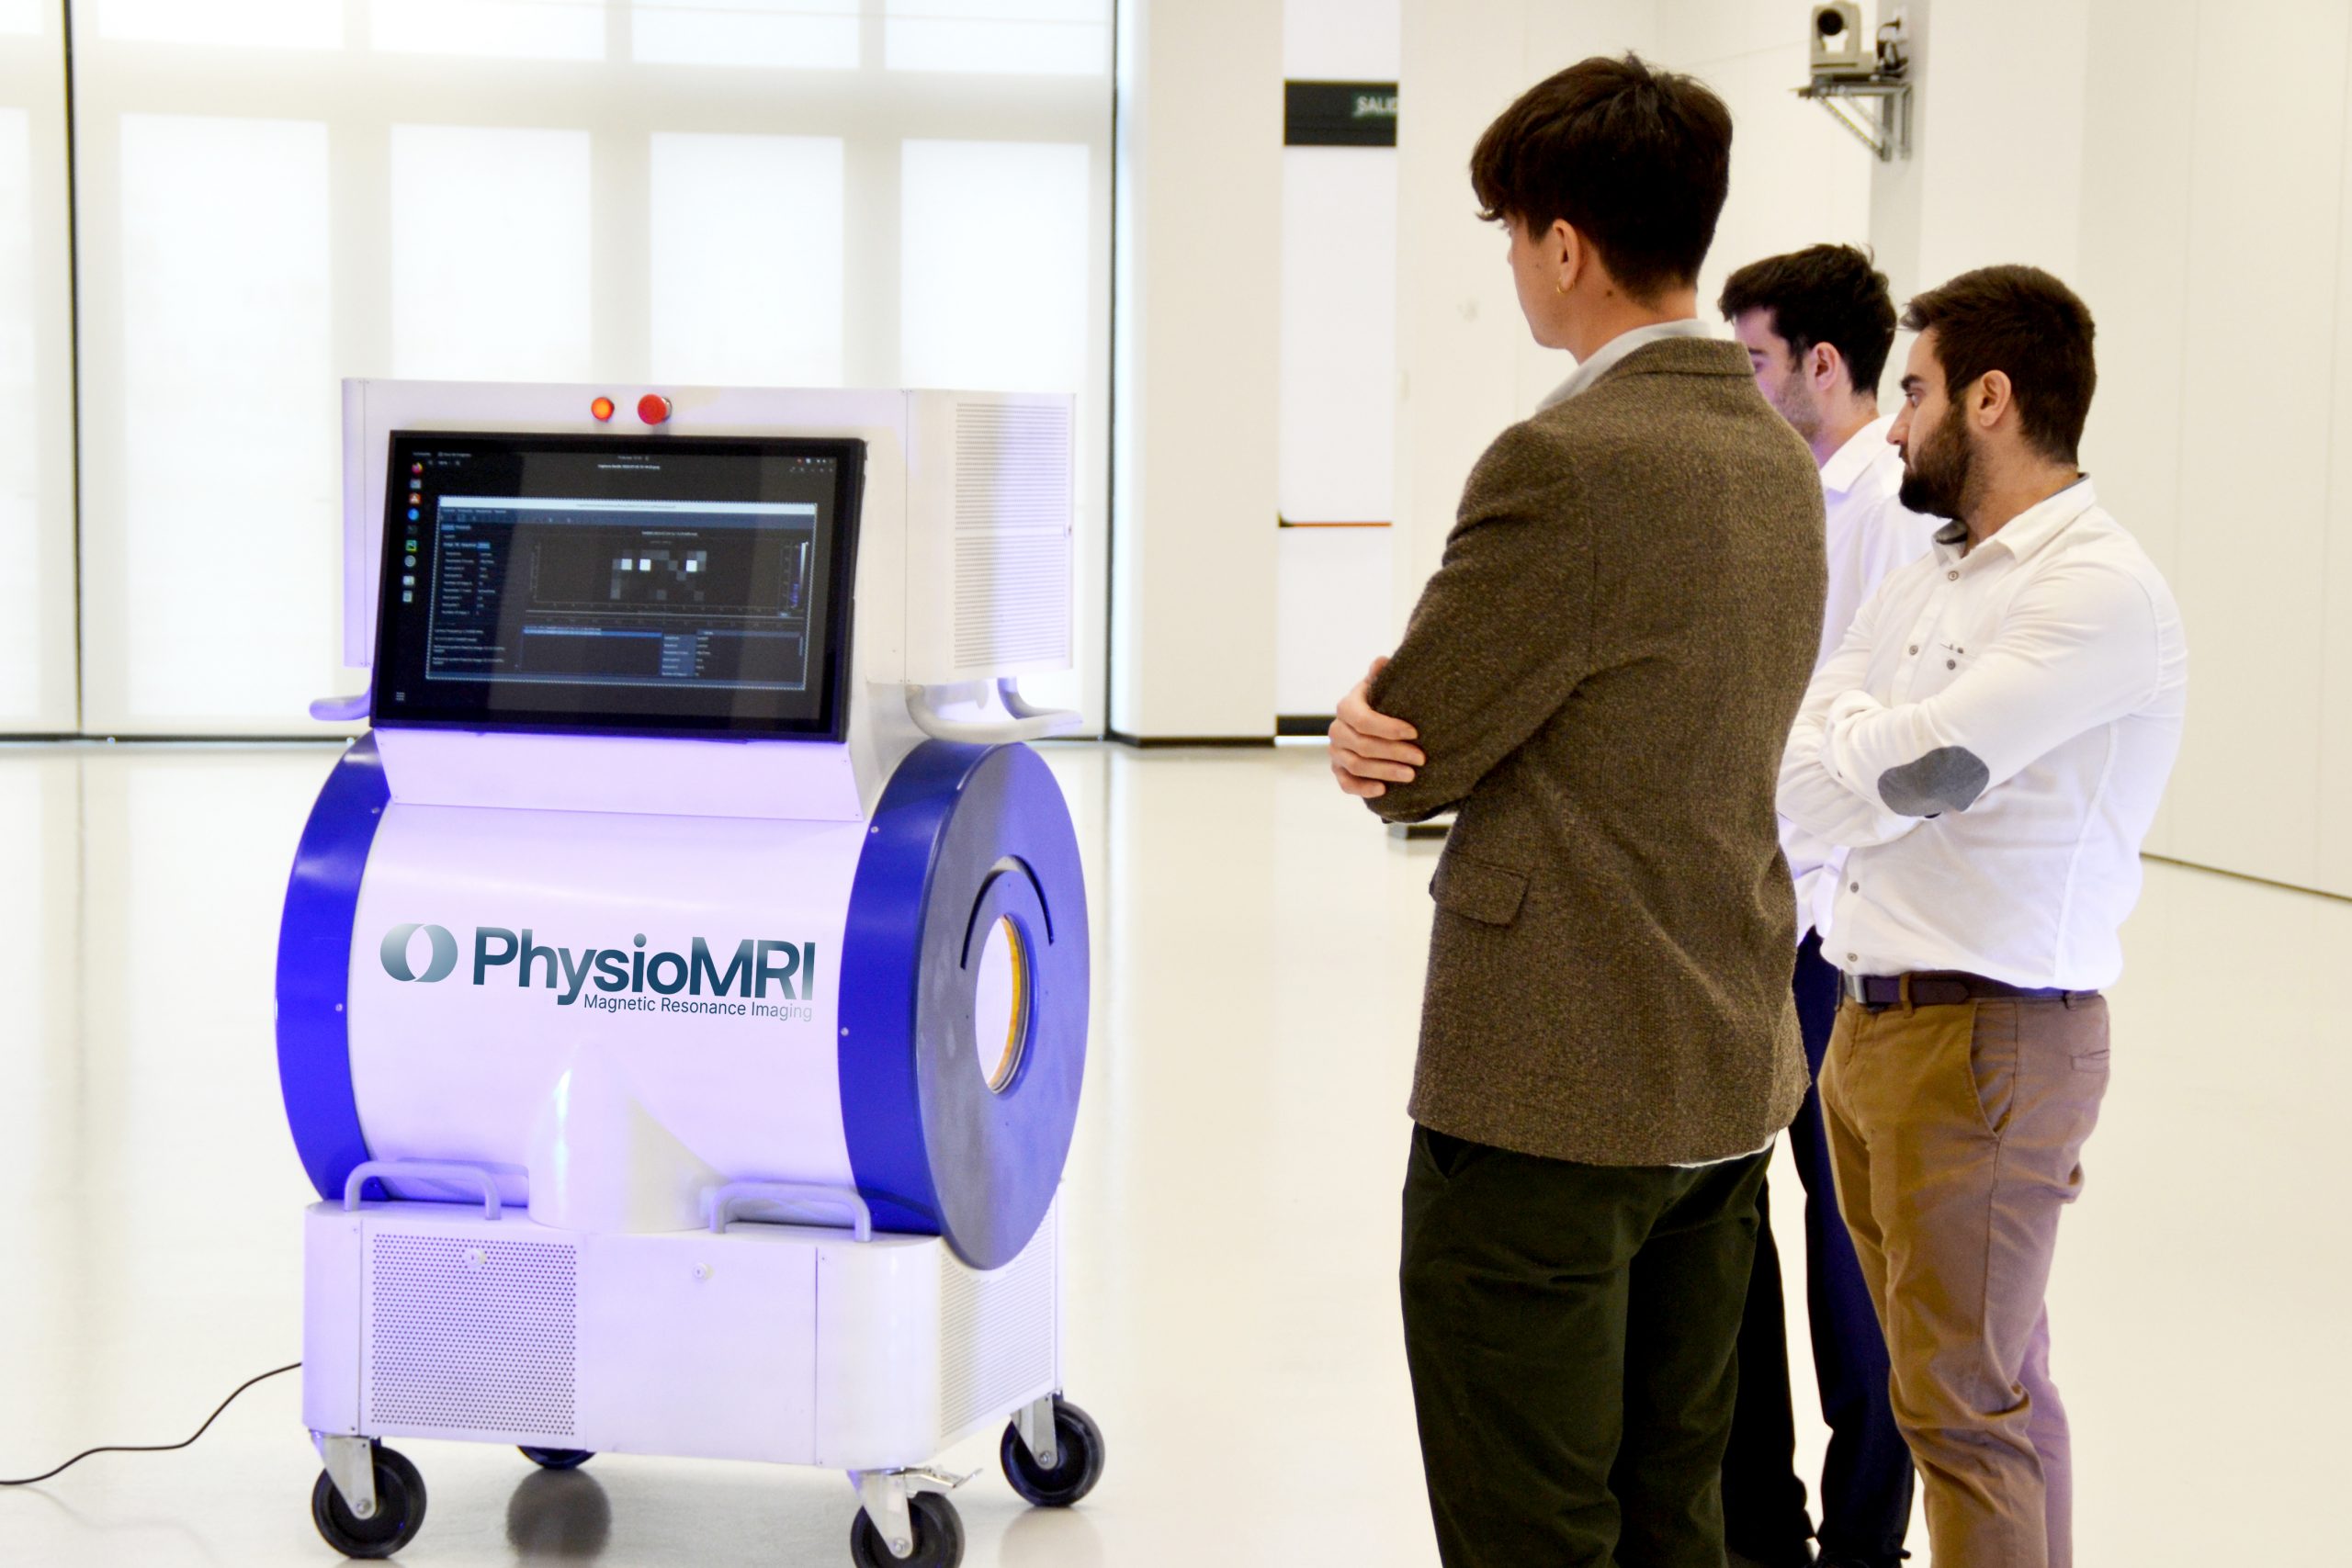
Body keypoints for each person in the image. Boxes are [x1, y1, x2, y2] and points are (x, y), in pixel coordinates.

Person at [1326, 55, 1826, 1568]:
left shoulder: (1565, 462)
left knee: (1529, 1522)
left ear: (1563, 245)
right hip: (1721, 1077)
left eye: (1511, 232)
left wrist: (1368, 729)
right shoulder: (1778, 458)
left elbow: (1418, 748)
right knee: (1674, 1509)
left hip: (1552, 1094)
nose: (1511, 264)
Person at [1779, 265, 2188, 1568]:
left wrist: (1863, 749)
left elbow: (1925, 773)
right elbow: (1809, 767)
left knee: (1963, 1412)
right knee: (1975, 1389)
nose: (1895, 423)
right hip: (1872, 1029)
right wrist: (1868, 753)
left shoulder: (2094, 589)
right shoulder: (1933, 573)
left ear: (1992, 400)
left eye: (1915, 393)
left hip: (1986, 1045)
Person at [1714, 244, 1937, 1568]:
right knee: (1732, 1219)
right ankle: (1760, 1523)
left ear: (1822, 364)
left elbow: (1883, 742)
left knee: (1850, 1241)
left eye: (1753, 360)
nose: (1739, 383)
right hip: (1762, 905)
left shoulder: (1889, 513)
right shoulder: (1789, 494)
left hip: (1832, 918)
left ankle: (1861, 1540)